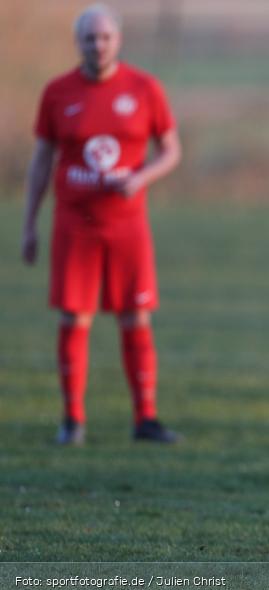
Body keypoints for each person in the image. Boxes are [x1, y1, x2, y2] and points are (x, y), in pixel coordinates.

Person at [21, 4, 182, 445]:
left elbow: (171, 151)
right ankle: (72, 420)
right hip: (75, 224)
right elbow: (40, 162)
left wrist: (140, 178)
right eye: (90, 38)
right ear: (79, 43)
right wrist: (29, 223)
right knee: (75, 317)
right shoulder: (58, 93)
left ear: (118, 40)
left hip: (127, 225)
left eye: (105, 37)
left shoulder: (144, 88)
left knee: (136, 316)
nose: (98, 45)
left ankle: (145, 419)